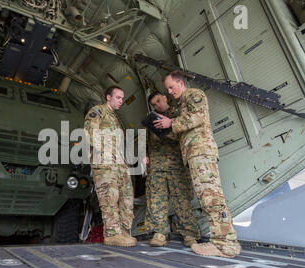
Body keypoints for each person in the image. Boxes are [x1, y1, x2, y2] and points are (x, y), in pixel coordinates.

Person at [154, 71, 241, 258]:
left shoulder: (194, 94)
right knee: (207, 197)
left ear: (181, 83)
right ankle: (227, 241)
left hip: (201, 151)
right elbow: (182, 131)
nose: (169, 91)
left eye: (171, 87)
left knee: (211, 197)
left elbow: (199, 116)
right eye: (167, 89)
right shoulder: (182, 104)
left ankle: (224, 244)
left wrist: (172, 122)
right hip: (194, 154)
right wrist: (165, 128)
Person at [144, 92, 201, 247]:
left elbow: (186, 137)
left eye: (158, 101)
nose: (157, 105)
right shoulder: (153, 119)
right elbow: (148, 141)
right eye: (154, 105)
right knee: (156, 199)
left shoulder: (177, 115)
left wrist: (169, 128)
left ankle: (189, 234)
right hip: (157, 164)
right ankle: (159, 233)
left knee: (182, 199)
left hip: (176, 164)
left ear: (164, 97)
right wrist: (145, 156)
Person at [84, 86, 137, 247]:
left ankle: (124, 231)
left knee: (127, 197)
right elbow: (90, 134)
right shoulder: (98, 111)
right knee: (109, 197)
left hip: (120, 164)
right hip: (106, 163)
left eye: (122, 98)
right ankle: (112, 234)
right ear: (108, 97)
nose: (121, 101)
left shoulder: (115, 119)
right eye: (118, 97)